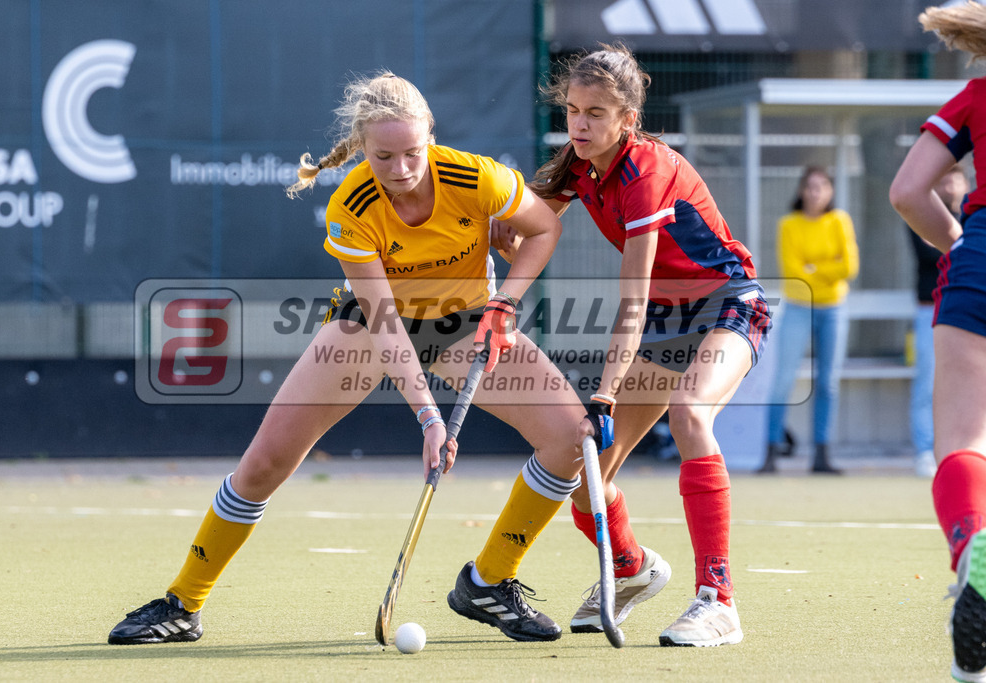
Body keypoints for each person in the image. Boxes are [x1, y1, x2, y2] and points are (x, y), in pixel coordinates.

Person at [107, 72, 594, 645]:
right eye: (384, 156)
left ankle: (488, 582)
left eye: (414, 152)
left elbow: (543, 229)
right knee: (265, 462)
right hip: (369, 328)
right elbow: (387, 327)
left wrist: (506, 302)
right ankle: (183, 603)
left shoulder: (476, 176)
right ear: (363, 149)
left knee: (572, 439)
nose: (402, 169)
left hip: (466, 322)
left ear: (430, 137)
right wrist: (430, 420)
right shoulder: (351, 204)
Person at [523, 44, 772, 646]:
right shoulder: (580, 165)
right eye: (574, 110)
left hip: (727, 304)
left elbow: (632, 300)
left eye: (597, 114)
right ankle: (633, 569)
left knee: (690, 413)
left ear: (626, 121)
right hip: (667, 317)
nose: (579, 125)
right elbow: (519, 227)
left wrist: (604, 394)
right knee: (587, 480)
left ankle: (718, 601)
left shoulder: (646, 172)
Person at [890, 4, 986, 680]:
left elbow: (906, 191)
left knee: (962, 444)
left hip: (981, 260)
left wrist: (956, 242)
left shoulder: (976, 96)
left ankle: (973, 543)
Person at [757, 166, 859, 475]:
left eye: (821, 187)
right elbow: (794, 270)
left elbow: (850, 267)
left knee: (827, 383)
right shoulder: (789, 224)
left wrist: (815, 269)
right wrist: (825, 269)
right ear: (802, 191)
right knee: (784, 380)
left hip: (834, 308)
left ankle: (821, 454)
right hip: (799, 306)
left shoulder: (839, 220)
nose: (815, 193)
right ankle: (771, 452)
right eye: (810, 187)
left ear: (830, 191)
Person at [907, 164, 968, 478]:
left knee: (966, 386)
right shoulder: (922, 214)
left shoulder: (974, 217)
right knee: (927, 383)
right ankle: (924, 452)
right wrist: (965, 250)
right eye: (942, 180)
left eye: (954, 180)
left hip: (964, 311)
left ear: (964, 183)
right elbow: (930, 257)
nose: (949, 186)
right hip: (928, 309)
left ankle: (961, 452)